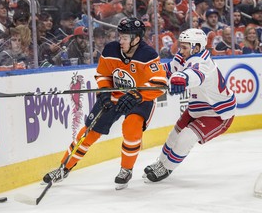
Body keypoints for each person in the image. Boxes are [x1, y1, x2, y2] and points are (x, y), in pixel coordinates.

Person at [43, 17, 167, 189]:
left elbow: (160, 85)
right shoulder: (110, 50)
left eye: (125, 37)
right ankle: (64, 168)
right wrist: (104, 93)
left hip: (139, 98)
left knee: (132, 128)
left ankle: (126, 169)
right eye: (120, 36)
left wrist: (135, 95)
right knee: (88, 132)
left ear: (136, 39)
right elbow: (102, 75)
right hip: (114, 95)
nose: (120, 40)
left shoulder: (148, 55)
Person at [143, 28, 236, 182]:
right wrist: (148, 73)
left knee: (185, 137)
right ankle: (161, 162)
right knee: (174, 134)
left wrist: (179, 79)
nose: (181, 50)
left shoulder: (204, 64)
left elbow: (193, 74)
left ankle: (167, 168)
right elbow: (170, 70)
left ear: (197, 47)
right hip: (196, 109)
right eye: (181, 46)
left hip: (217, 113)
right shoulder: (185, 55)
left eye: (185, 47)